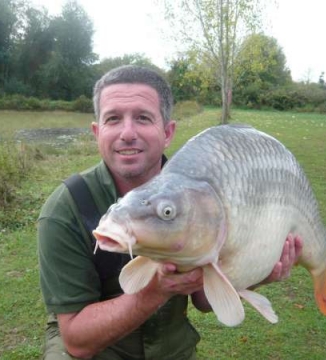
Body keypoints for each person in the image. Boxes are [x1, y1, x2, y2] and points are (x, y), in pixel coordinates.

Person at [38, 65, 303, 360]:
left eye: (142, 117)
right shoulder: (65, 209)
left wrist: (258, 274)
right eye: (113, 119)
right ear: (97, 132)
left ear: (167, 132)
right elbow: (76, 339)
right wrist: (157, 290)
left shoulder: (196, 197)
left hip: (169, 348)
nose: (127, 133)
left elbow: (203, 300)